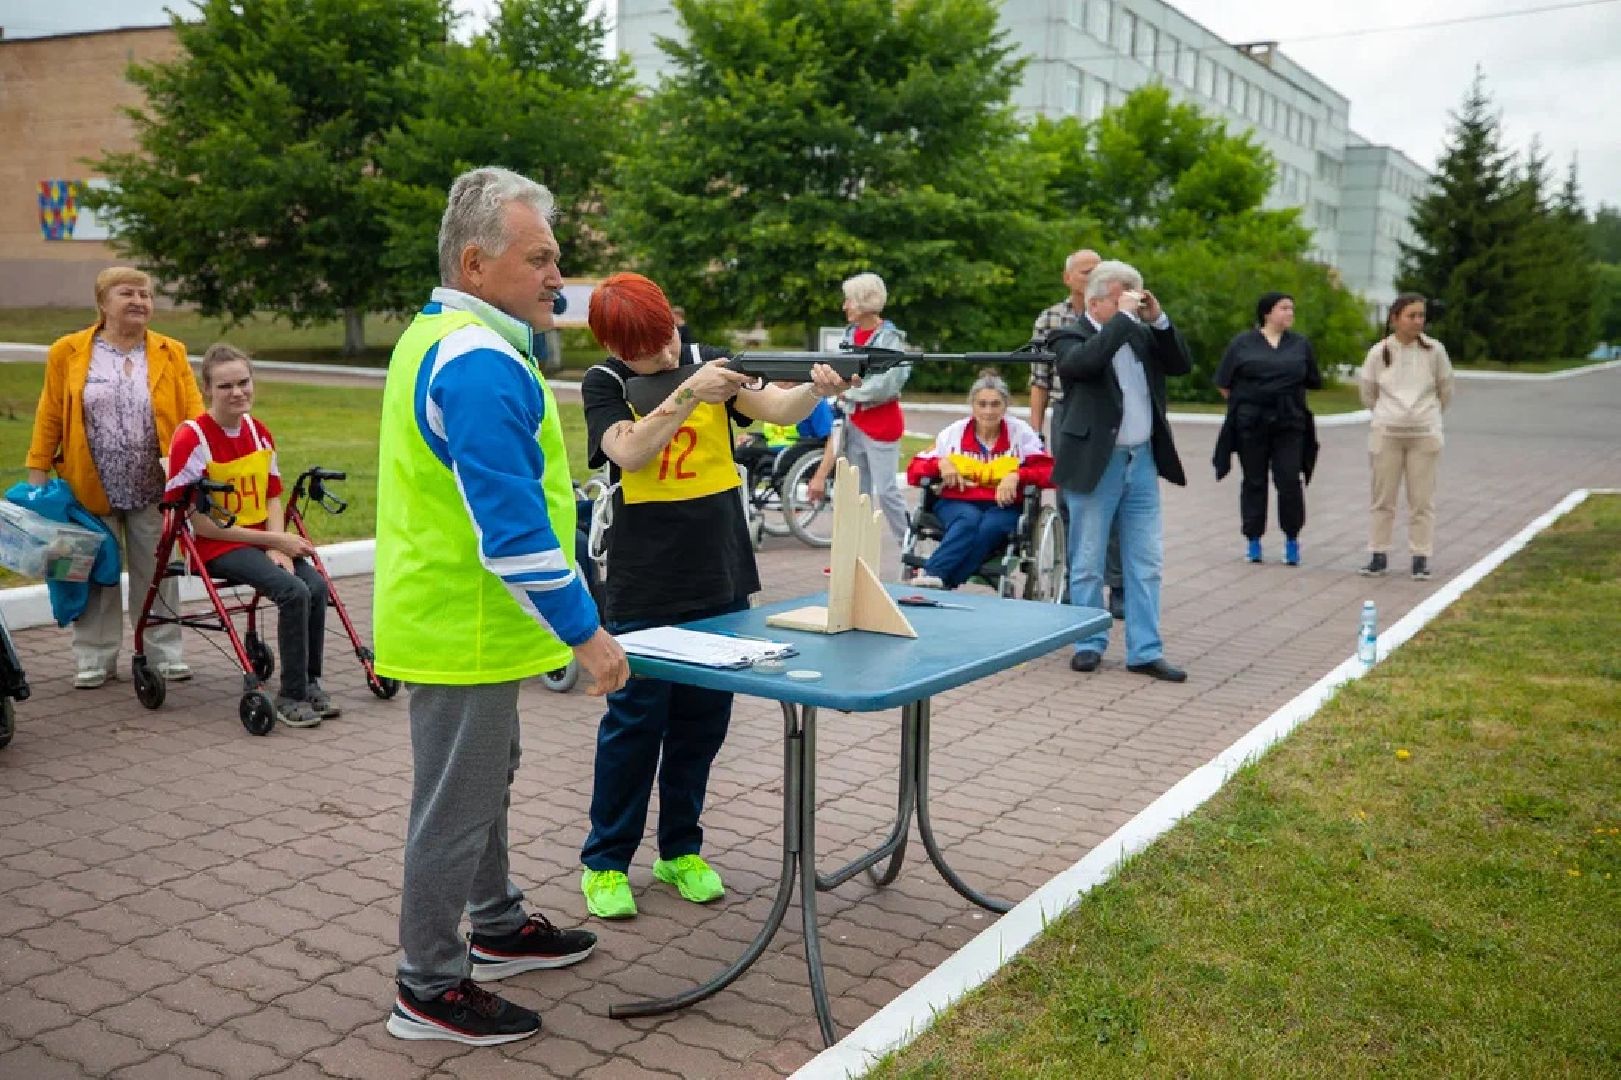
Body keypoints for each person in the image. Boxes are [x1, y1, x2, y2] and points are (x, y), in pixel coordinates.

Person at [375, 167, 629, 1047]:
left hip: (469, 621)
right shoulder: (477, 361)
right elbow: (513, 530)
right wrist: (586, 634)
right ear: (476, 264)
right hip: (462, 625)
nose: (558, 276)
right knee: (454, 806)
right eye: (541, 258)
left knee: (484, 785)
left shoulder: (448, 332)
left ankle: (496, 921)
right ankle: (428, 986)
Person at [578, 272, 848, 921]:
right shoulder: (606, 383)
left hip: (719, 572)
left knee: (702, 723)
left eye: (669, 340)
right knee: (634, 724)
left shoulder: (710, 365)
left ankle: (680, 849)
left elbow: (777, 410)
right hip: (646, 578)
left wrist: (817, 386)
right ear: (617, 346)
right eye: (650, 353)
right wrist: (685, 395)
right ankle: (606, 863)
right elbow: (629, 452)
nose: (667, 358)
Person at [25, 267, 202, 689]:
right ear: (103, 303)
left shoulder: (170, 351)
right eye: (128, 293)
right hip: (88, 486)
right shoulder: (67, 351)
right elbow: (49, 415)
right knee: (90, 571)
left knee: (158, 572)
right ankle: (94, 657)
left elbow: (194, 414)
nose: (139, 301)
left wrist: (199, 468)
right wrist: (38, 479)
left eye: (146, 294)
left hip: (155, 488)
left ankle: (163, 652)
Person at [164, 345, 331, 728]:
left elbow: (273, 495)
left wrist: (279, 543)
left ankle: (309, 681)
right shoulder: (192, 438)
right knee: (293, 592)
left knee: (315, 586)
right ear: (207, 389)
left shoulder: (259, 432)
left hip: (260, 540)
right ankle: (290, 696)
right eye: (226, 386)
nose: (237, 392)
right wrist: (274, 544)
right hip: (215, 545)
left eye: (244, 382)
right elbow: (202, 526)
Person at [1049, 261, 1193, 682]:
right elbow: (1082, 366)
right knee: (1089, 560)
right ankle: (1088, 642)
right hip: (1098, 462)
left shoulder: (1141, 334)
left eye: (1135, 294)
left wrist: (1158, 320)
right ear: (1094, 302)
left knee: (1146, 560)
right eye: (1120, 296)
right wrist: (1125, 320)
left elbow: (1180, 364)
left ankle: (1145, 650)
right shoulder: (1069, 335)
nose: (1132, 301)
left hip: (1141, 460)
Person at [1030, 248, 1122, 617]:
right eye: (1086, 271)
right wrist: (1034, 430)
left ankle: (1117, 584)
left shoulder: (1119, 315)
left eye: (1098, 270)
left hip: (1107, 415)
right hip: (1067, 412)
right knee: (1070, 500)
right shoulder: (1052, 318)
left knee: (1113, 501)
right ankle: (1075, 581)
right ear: (1068, 278)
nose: (1093, 275)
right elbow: (1039, 378)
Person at [904, 370, 1052, 589]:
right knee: (967, 520)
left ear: (1006, 405)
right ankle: (939, 575)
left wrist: (1017, 475)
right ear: (972, 406)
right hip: (957, 501)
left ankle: (939, 576)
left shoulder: (1021, 434)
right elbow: (913, 471)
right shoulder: (953, 433)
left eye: (995, 404)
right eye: (982, 404)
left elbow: (1049, 472)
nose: (988, 411)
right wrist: (940, 464)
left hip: (1004, 505)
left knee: (989, 527)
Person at [1212, 292, 1323, 567]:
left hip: (1290, 423)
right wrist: (1247, 403)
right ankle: (1253, 539)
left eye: (1291, 308)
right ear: (1266, 313)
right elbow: (1224, 382)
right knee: (1254, 480)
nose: (1289, 313)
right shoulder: (1243, 344)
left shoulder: (1300, 344)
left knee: (1288, 480)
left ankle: (1292, 539)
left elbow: (1313, 380)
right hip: (1252, 423)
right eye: (1283, 308)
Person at [806, 272, 910, 543]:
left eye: (848, 300)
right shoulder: (851, 334)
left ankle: (910, 549)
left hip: (882, 426)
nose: (844, 306)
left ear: (864, 302)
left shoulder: (890, 338)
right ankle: (852, 553)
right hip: (855, 423)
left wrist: (848, 392)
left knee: (887, 492)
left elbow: (888, 383)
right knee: (857, 494)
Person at [1357, 293, 1454, 580]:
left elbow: (1445, 390)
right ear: (1395, 318)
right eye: (1411, 316)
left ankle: (1420, 556)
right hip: (1387, 434)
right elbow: (1368, 393)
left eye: (1421, 316)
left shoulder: (1435, 351)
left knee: (1422, 499)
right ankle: (1378, 553)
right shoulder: (1379, 352)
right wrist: (1390, 414)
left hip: (1424, 435)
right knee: (1383, 498)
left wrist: (1427, 416)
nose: (1417, 321)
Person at [733, 391, 834, 487]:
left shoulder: (816, 402)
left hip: (797, 450)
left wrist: (819, 477)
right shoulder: (773, 398)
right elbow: (778, 432)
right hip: (774, 447)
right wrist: (753, 436)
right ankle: (742, 493)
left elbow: (831, 440)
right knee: (743, 452)